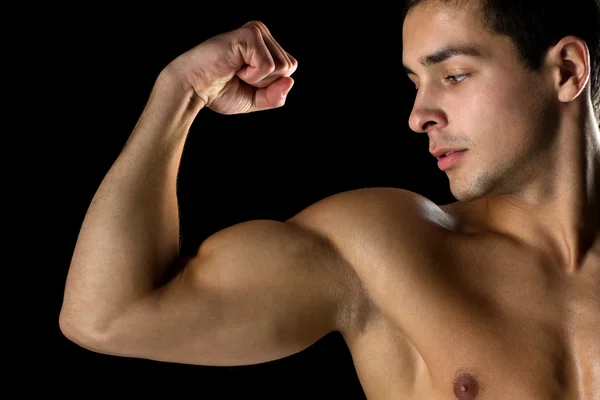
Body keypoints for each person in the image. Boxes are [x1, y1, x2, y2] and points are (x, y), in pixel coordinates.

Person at [59, 0, 600, 398]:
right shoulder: (388, 248)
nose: (419, 115)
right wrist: (181, 90)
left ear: (568, 70)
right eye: (415, 82)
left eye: (454, 75)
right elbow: (107, 315)